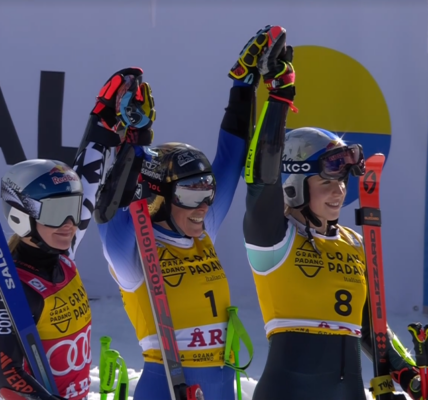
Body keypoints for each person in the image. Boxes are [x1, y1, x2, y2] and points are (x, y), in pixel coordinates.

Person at [71, 27, 274, 400]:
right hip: (165, 387)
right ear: (160, 195)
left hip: (221, 387)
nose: (205, 206)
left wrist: (244, 84)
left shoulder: (201, 227)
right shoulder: (131, 253)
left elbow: (231, 159)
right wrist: (137, 138)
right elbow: (109, 203)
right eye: (191, 194)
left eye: (207, 193)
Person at [242, 25, 422, 400]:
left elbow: (373, 329)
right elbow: (261, 178)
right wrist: (279, 97)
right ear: (294, 184)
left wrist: (408, 373)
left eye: (342, 182)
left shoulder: (354, 243)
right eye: (326, 182)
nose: (339, 191)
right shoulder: (273, 239)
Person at [0, 159, 92, 400]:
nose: (69, 224)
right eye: (56, 212)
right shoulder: (13, 288)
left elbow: (94, 185)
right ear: (21, 216)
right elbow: (6, 373)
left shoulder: (64, 260)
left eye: (73, 208)